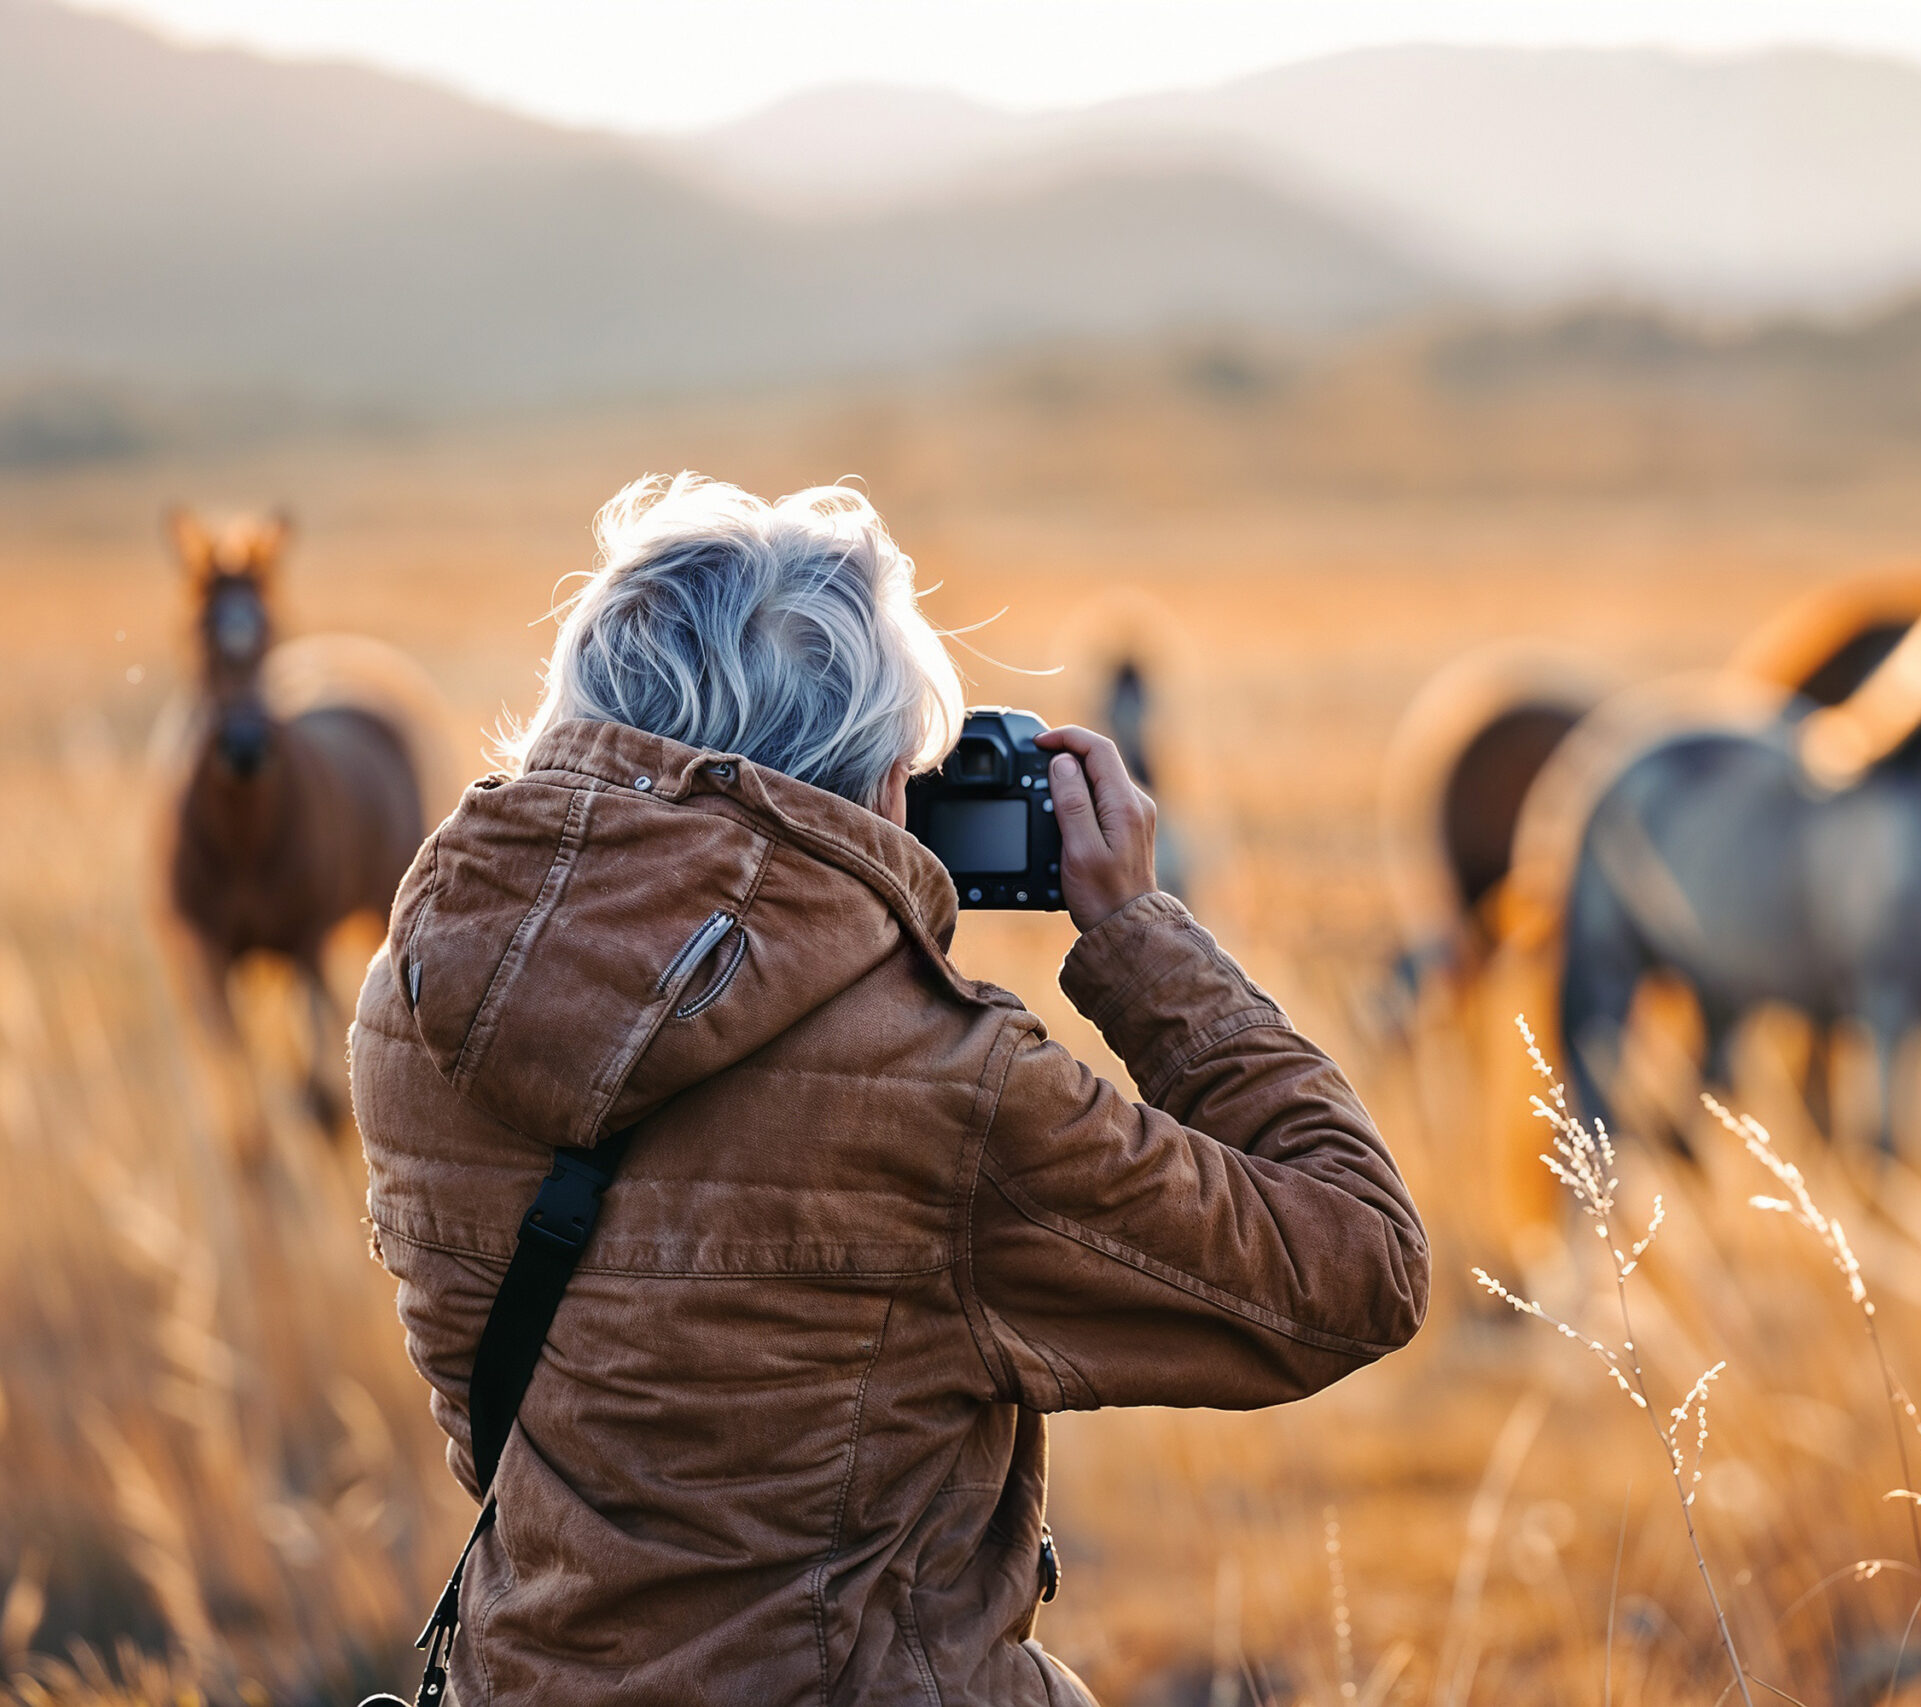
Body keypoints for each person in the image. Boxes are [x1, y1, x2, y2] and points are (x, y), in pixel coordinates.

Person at [350, 474, 1430, 1705]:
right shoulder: (941, 1087)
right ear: (866, 785)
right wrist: (1136, 935)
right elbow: (1359, 1264)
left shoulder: (416, 999)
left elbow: (508, 1434)